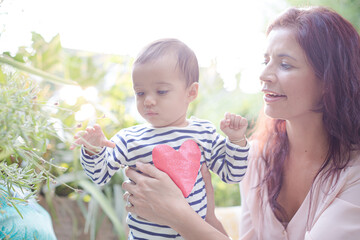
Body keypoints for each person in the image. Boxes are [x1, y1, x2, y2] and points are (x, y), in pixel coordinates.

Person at [121, 6, 360, 240]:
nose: (264, 74)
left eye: (285, 64)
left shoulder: (354, 175)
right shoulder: (256, 157)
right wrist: (207, 217)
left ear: (329, 79)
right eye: (265, 61)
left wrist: (179, 216)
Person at [71, 38, 249, 239]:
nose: (148, 100)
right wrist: (93, 151)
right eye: (140, 93)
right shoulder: (131, 139)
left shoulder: (204, 133)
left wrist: (236, 141)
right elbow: (99, 175)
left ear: (191, 92)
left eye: (161, 91)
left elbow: (232, 174)